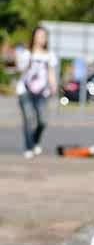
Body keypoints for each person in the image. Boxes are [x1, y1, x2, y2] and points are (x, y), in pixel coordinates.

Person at [16, 26, 58, 158]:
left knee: (42, 121)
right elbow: (20, 70)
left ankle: (35, 140)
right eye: (39, 35)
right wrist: (26, 61)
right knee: (29, 118)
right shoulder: (26, 54)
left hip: (42, 92)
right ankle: (29, 147)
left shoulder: (50, 55)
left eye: (44, 36)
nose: (41, 38)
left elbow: (51, 73)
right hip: (25, 91)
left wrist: (54, 86)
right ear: (34, 37)